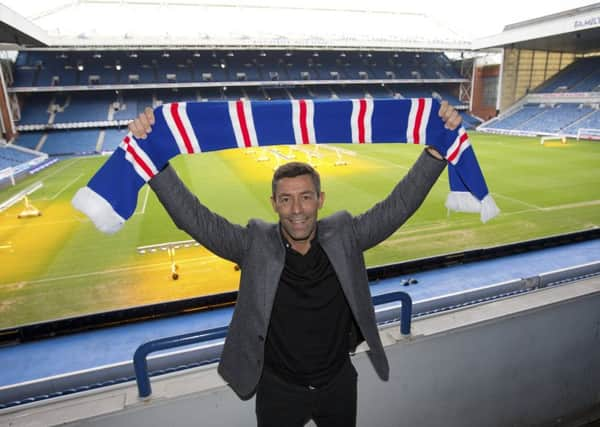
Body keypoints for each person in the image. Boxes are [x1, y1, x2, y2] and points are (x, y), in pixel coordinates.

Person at [128, 101, 461, 427]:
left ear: (320, 199)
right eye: (286, 199)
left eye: (305, 197)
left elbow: (398, 206)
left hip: (338, 384)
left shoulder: (346, 236)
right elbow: (195, 219)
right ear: (274, 204)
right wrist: (154, 159)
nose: (296, 209)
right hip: (278, 390)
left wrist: (436, 151)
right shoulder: (254, 244)